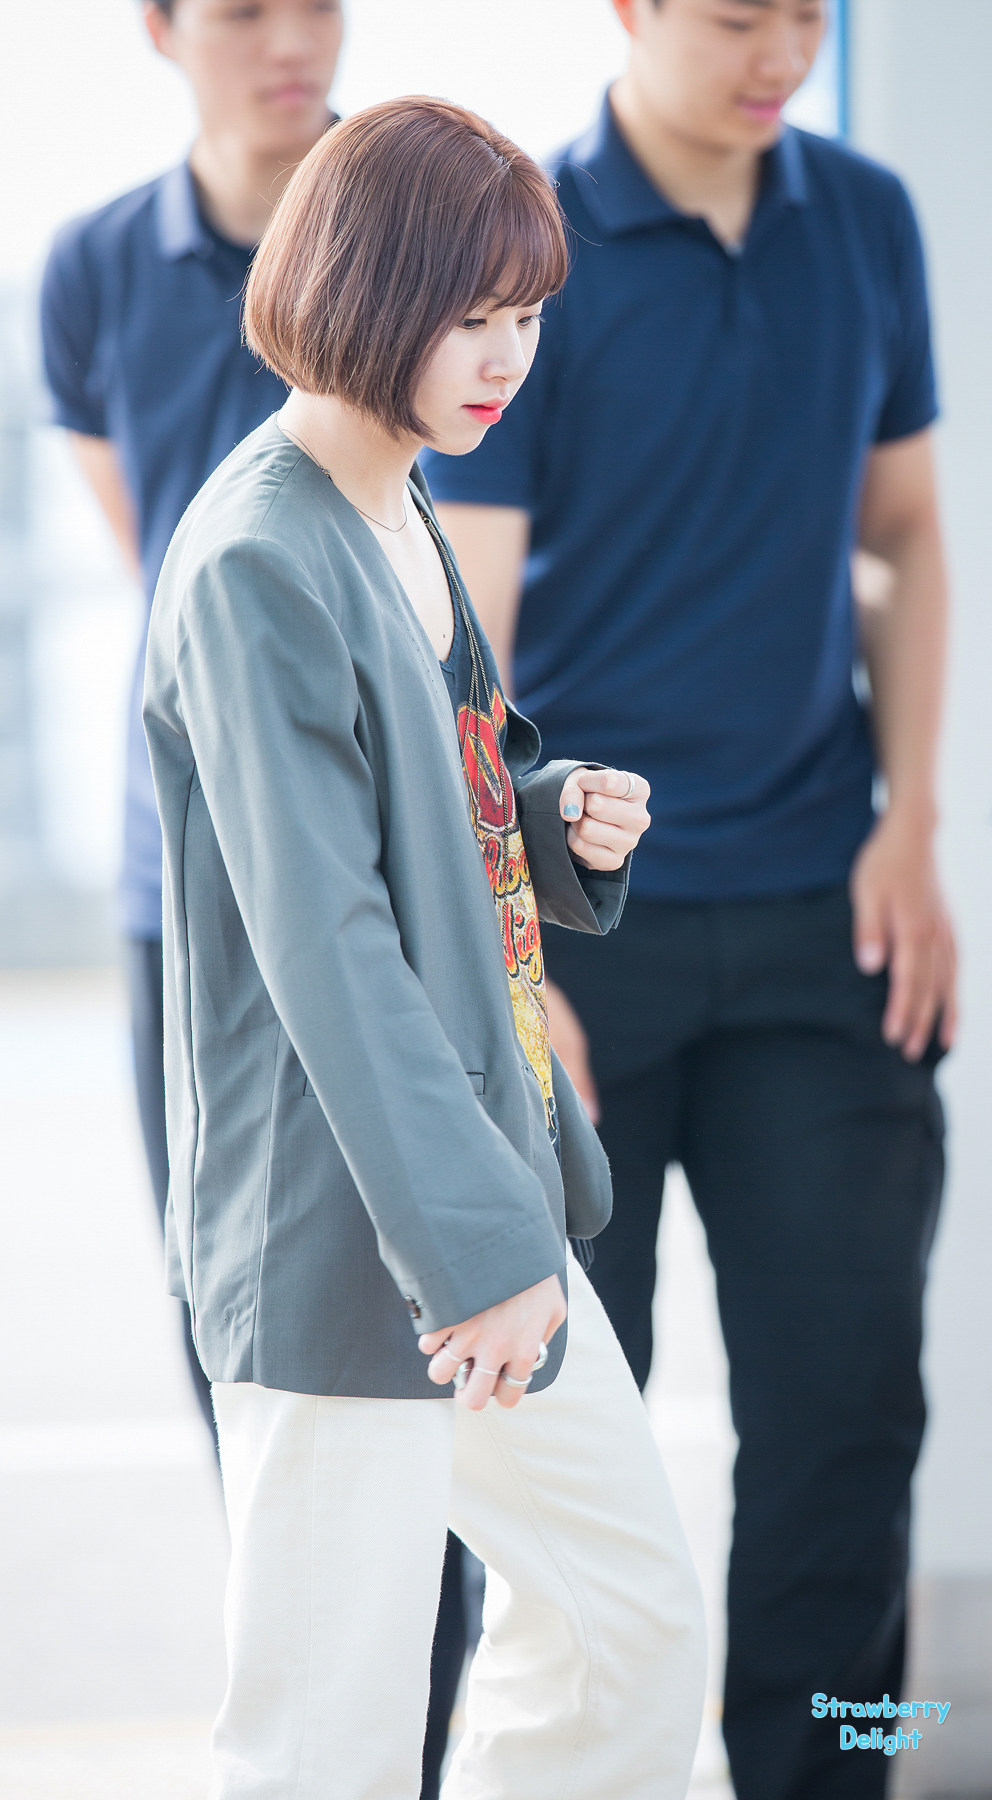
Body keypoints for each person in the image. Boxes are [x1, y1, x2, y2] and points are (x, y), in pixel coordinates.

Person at [143, 96, 706, 1800]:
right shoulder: (261, 554)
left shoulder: (393, 504)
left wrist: (543, 818)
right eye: (471, 315)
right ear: (367, 290)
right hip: (347, 1231)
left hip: (475, 1183)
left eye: (526, 315)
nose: (508, 357)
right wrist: (473, 1248)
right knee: (328, 1734)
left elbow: (419, 810)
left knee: (627, 1627)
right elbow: (326, 940)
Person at [422, 4, 955, 1798]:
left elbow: (907, 534)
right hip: (589, 939)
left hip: (823, 917)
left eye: (811, 11)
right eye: (738, 13)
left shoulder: (865, 218)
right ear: (636, 9)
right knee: (560, 1440)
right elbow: (459, 644)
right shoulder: (524, 249)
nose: (782, 49)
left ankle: (843, 1771)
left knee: (851, 1420)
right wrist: (510, 958)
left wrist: (914, 826)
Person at [39, 10, 486, 1785]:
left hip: (407, 875)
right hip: (197, 892)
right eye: (241, 4)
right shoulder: (96, 271)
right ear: (158, 27)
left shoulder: (432, 227)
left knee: (443, 1371)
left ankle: (406, 1751)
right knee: (271, 1358)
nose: (292, 36)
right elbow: (151, 550)